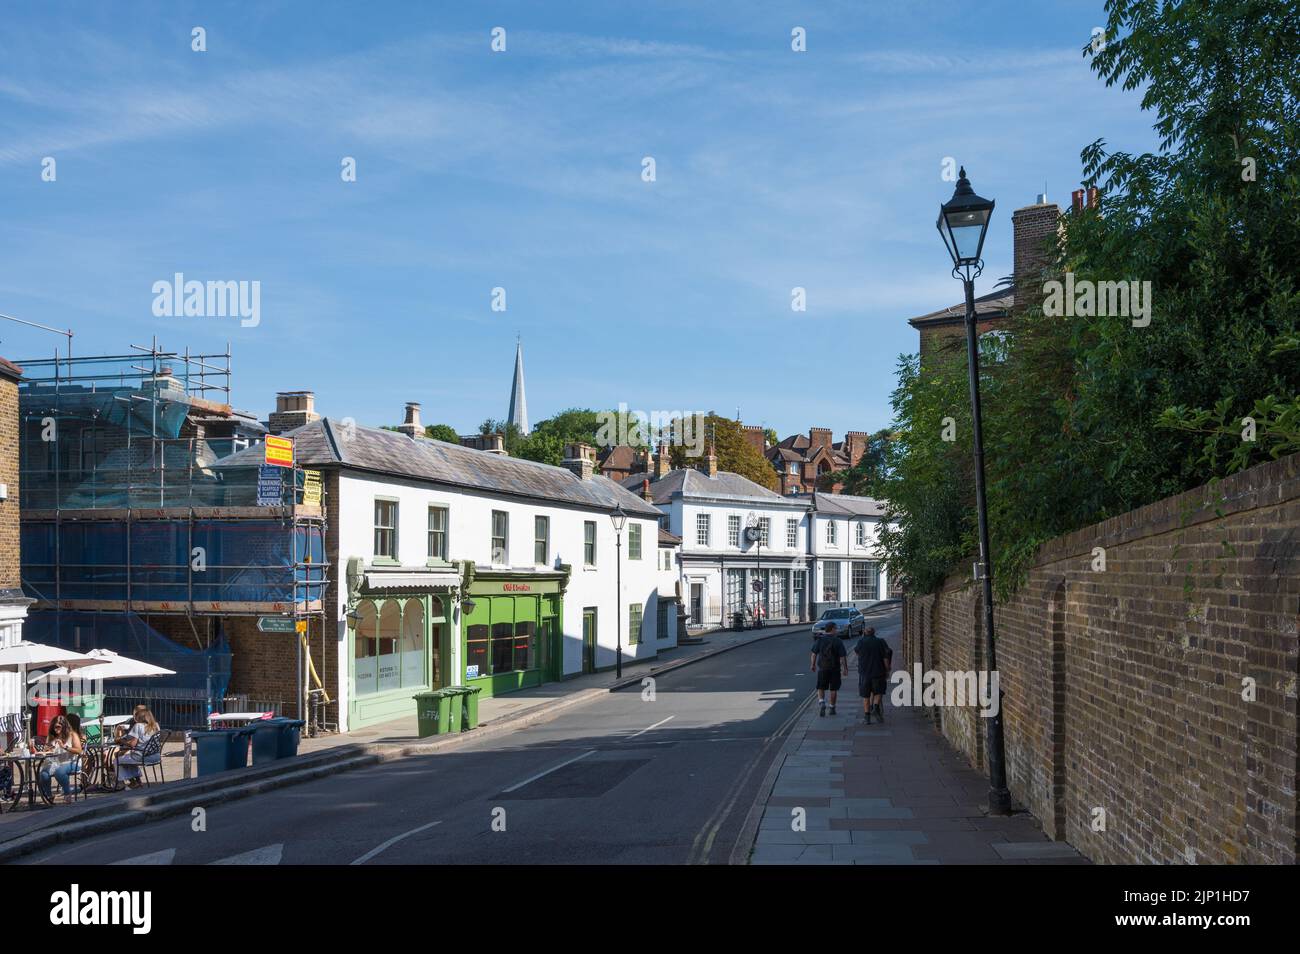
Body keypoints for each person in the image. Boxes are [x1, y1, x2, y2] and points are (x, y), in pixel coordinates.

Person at [37, 713, 83, 804]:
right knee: (43, 774)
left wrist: (64, 747)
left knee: (59, 771)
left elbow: (79, 751)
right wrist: (46, 750)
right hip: (56, 763)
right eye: (54, 727)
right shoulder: (52, 737)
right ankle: (49, 796)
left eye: (58, 727)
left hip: (72, 762)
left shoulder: (72, 735)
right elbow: (47, 751)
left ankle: (67, 794)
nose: (56, 729)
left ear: (64, 726)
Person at [115, 706, 161, 790]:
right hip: (156, 756)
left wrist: (121, 741)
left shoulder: (138, 725)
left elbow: (132, 744)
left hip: (142, 757)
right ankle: (137, 782)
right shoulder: (156, 725)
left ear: (140, 718)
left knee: (117, 760)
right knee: (128, 759)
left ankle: (122, 783)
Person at [854, 626, 893, 724]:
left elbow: (857, 652)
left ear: (865, 633)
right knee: (879, 692)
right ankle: (875, 707)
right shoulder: (880, 642)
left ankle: (867, 718)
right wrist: (887, 669)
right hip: (878, 672)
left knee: (866, 695)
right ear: (874, 633)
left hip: (864, 673)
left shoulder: (861, 642)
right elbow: (886, 657)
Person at [810, 621, 848, 717]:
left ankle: (822, 702)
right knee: (833, 689)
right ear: (832, 629)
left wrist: (813, 665)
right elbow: (843, 657)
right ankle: (832, 708)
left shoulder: (820, 640)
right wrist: (845, 668)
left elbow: (814, 654)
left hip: (823, 667)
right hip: (835, 668)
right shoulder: (838, 641)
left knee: (821, 687)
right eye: (836, 628)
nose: (837, 630)